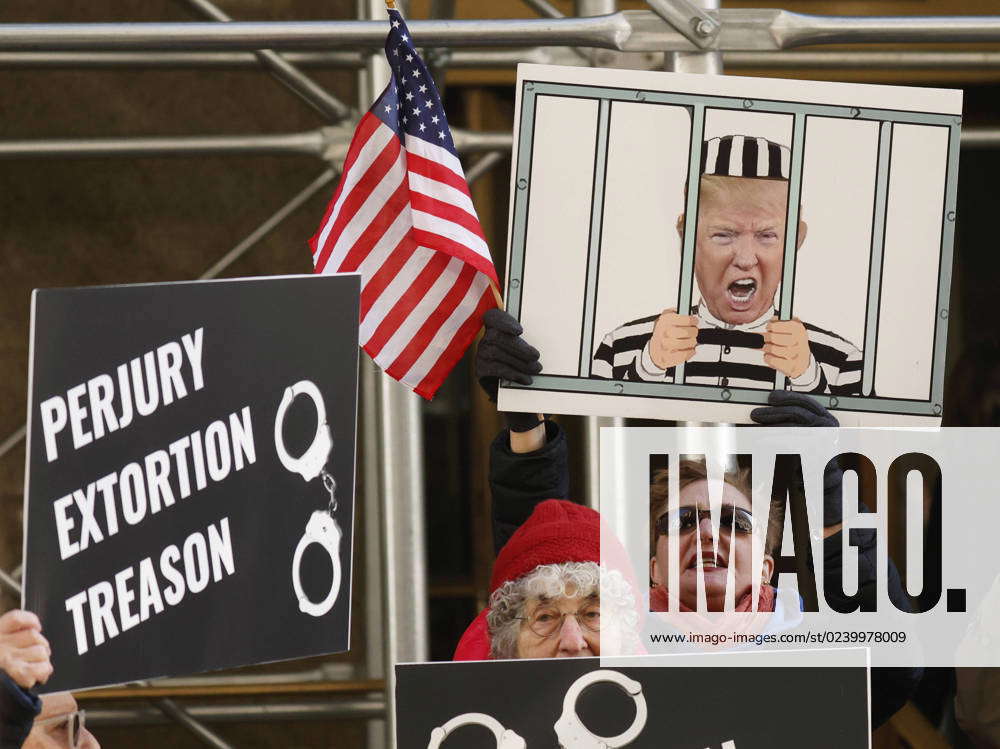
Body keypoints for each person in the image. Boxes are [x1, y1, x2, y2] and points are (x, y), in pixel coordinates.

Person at [475, 308, 920, 728]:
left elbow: (893, 667)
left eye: (736, 523)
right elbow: (539, 560)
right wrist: (526, 425)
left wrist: (827, 488)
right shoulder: (608, 647)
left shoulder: (814, 653)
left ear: (767, 566)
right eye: (682, 521)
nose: (707, 531)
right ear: (653, 567)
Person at [593, 134, 862, 395]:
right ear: (686, 238)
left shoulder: (841, 364)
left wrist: (807, 377)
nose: (745, 259)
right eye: (723, 234)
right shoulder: (619, 351)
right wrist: (649, 367)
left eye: (767, 235)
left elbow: (857, 441)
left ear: (794, 242)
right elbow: (595, 437)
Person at [648, 458, 776, 613]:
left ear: (763, 569)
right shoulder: (613, 635)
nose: (707, 532)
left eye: (733, 521)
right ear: (656, 570)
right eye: (681, 521)